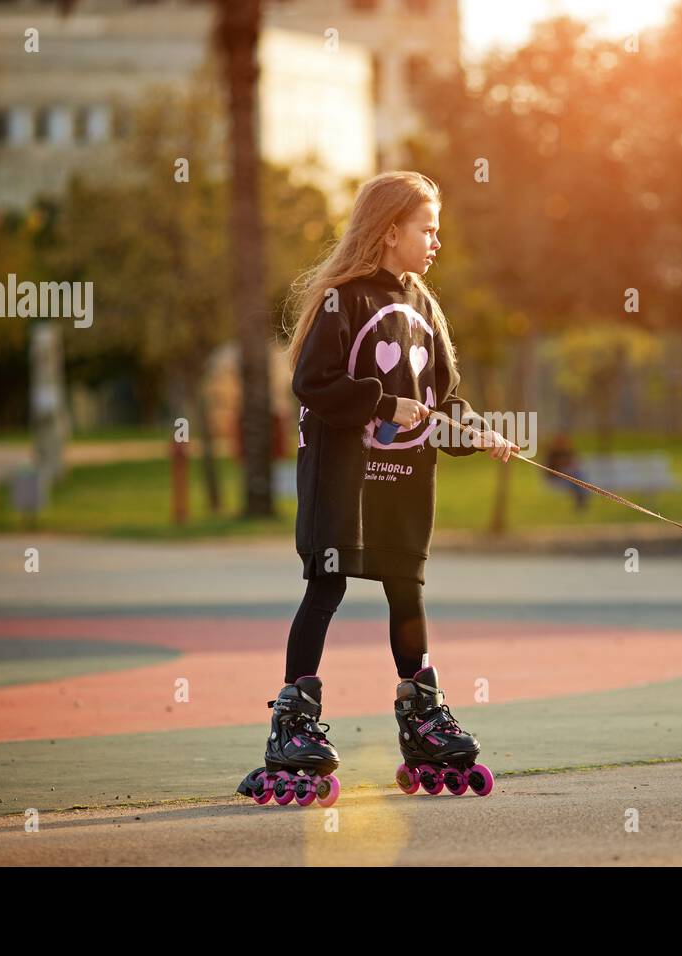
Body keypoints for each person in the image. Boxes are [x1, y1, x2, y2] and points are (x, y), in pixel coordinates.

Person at [239, 171, 516, 806]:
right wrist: (385, 404)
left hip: (402, 486)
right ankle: (293, 724)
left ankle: (422, 721)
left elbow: (443, 401)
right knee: (326, 587)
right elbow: (315, 383)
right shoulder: (344, 299)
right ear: (391, 231)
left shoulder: (424, 306)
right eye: (428, 228)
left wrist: (477, 431)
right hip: (344, 481)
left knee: (406, 592)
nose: (436, 241)